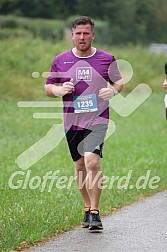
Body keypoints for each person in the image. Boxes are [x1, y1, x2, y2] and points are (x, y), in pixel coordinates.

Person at [45, 16, 123, 230]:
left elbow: (118, 81)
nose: (82, 37)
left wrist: (113, 90)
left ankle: (96, 213)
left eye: (86, 33)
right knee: (79, 165)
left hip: (97, 120)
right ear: (72, 35)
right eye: (78, 33)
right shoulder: (60, 60)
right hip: (72, 121)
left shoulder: (107, 58)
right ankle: (87, 208)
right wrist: (59, 90)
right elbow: (48, 87)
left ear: (93, 35)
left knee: (92, 162)